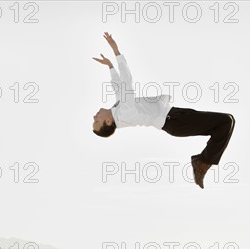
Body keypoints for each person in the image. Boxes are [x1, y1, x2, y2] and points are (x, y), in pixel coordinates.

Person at [92, 32, 235, 189]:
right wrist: (116, 51)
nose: (94, 116)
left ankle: (202, 161)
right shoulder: (125, 113)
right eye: (96, 121)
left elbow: (119, 88)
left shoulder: (118, 111)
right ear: (107, 121)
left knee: (224, 123)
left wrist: (111, 66)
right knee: (226, 121)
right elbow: (126, 83)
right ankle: (202, 163)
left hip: (175, 117)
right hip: (175, 121)